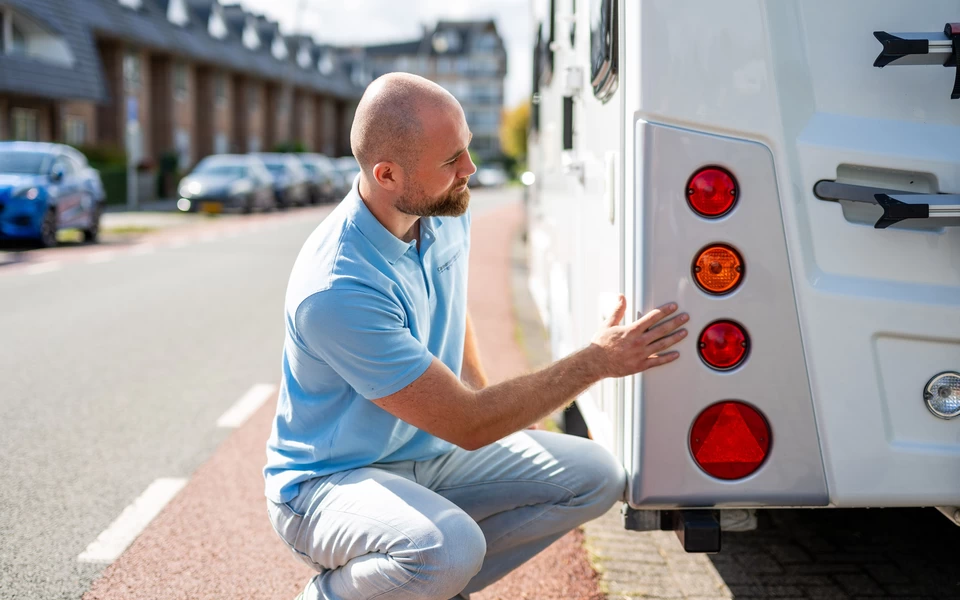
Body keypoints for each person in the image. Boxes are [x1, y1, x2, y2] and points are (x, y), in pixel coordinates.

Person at [263, 73, 688, 600]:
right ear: (387, 174)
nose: (470, 169)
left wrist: (500, 405)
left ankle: (423, 584)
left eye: (466, 149)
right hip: (330, 483)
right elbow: (467, 423)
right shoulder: (337, 288)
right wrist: (595, 361)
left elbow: (453, 312)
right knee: (448, 547)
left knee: (596, 475)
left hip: (430, 456)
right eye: (451, 161)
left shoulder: (441, 210)